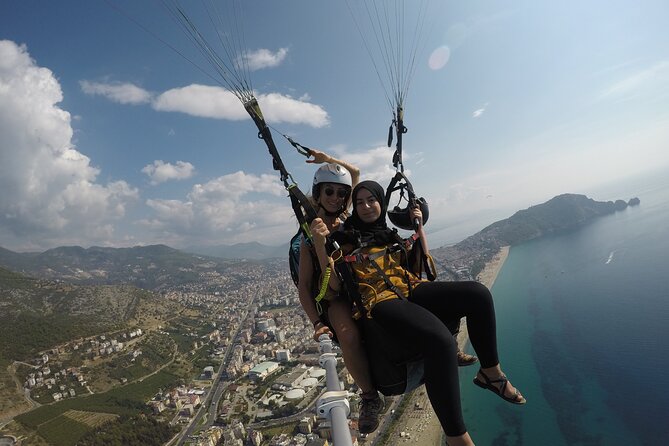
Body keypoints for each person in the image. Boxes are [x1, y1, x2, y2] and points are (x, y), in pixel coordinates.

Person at [309, 180, 525, 446]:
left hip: (409, 287)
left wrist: (418, 226)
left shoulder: (387, 234)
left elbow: (421, 267)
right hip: (378, 300)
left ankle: (490, 373)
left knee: (478, 294)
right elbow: (334, 286)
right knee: (441, 340)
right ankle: (456, 436)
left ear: (381, 202)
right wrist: (321, 245)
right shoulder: (343, 238)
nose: (366, 206)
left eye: (372, 200)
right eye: (360, 201)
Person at [296, 150, 384, 434]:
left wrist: (326, 159)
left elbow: (356, 173)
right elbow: (304, 285)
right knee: (347, 334)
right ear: (318, 194)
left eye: (341, 193)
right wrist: (317, 322)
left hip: (362, 284)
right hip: (335, 297)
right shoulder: (309, 235)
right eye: (329, 191)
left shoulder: (348, 218)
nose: (335, 197)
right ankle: (369, 397)